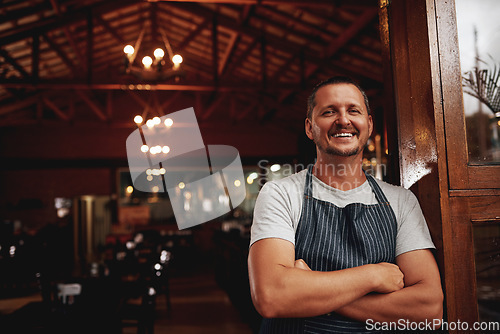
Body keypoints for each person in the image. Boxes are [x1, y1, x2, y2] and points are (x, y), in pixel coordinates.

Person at [248, 76, 443, 333]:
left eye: (353, 110)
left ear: (369, 124)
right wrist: (373, 276)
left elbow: (428, 309)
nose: (343, 120)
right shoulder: (280, 194)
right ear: (309, 128)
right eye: (329, 112)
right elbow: (272, 296)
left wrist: (310, 289)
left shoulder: (400, 200)